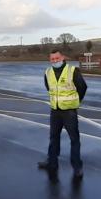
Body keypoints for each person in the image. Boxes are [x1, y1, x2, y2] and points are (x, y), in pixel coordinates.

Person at [37, 49, 87, 178]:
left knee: (74, 139)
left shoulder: (73, 71)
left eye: (57, 58)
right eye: (52, 59)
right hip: (55, 110)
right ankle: (51, 162)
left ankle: (77, 167)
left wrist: (76, 101)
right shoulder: (48, 72)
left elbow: (82, 87)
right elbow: (49, 88)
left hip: (69, 111)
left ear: (62, 58)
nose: (55, 61)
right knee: (54, 137)